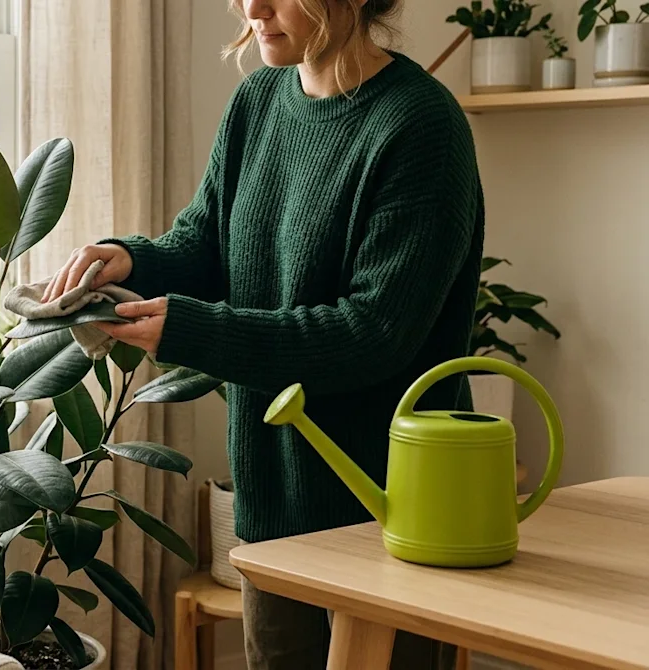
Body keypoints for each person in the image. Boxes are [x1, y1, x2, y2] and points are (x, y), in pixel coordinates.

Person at [41, 0, 482, 667]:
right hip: (274, 508)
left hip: (391, 519)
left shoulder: (421, 125)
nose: (252, 7)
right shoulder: (257, 99)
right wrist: (133, 258)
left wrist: (189, 330)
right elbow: (207, 242)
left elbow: (372, 333)